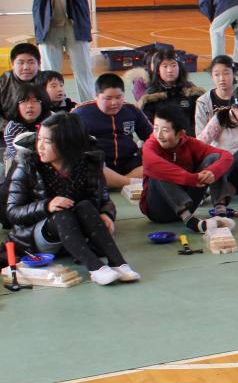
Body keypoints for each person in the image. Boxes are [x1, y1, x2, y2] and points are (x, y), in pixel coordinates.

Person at [7, 113, 138, 285]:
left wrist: (106, 214)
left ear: (67, 143)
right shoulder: (28, 164)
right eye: (39, 139)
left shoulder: (88, 163)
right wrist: (47, 205)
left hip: (78, 235)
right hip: (40, 237)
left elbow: (103, 199)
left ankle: (119, 263)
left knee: (85, 205)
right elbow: (12, 212)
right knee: (62, 213)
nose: (40, 146)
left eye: (47, 141)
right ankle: (95, 268)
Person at [140, 105, 238, 231]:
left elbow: (227, 156)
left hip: (188, 203)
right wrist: (193, 178)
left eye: (165, 130)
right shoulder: (151, 145)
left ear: (180, 133)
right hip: (159, 211)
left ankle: (220, 212)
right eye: (155, 128)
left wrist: (212, 172)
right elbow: (153, 164)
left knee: (214, 159)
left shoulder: (190, 143)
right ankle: (190, 221)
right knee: (158, 170)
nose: (158, 135)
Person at [73, 73, 152, 189]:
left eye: (119, 97)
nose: (114, 103)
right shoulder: (80, 114)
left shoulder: (132, 110)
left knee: (155, 162)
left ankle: (118, 182)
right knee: (85, 167)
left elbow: (151, 137)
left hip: (129, 163)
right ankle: (129, 183)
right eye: (108, 98)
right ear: (96, 96)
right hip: (101, 166)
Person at [138, 48, 205, 136]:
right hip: (161, 141)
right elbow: (147, 127)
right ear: (158, 70)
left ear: (179, 68)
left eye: (173, 65)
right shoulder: (150, 96)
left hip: (188, 140)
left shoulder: (192, 91)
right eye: (165, 66)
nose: (170, 70)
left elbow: (199, 121)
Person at [4, 83, 48, 162]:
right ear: (16, 104)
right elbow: (20, 158)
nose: (30, 105)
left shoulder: (51, 121)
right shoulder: (12, 129)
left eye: (35, 101)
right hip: (17, 161)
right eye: (24, 101)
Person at [0, 43, 43, 123]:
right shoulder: (2, 82)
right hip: (8, 131)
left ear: (39, 64)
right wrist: (9, 129)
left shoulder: (47, 81)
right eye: (21, 63)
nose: (26, 67)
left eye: (31, 62)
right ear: (12, 64)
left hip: (43, 129)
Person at [194, 55, 237, 133]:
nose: (222, 79)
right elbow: (200, 134)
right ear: (212, 76)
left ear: (234, 74)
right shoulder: (203, 102)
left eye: (226, 73)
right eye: (217, 74)